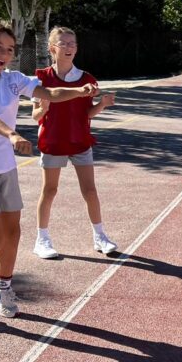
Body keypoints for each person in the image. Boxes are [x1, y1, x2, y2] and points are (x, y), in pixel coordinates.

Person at [0, 21, 98, 324]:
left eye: (9, 49)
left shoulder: (13, 79)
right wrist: (11, 134)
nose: (4, 54)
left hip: (5, 168)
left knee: (13, 233)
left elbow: (50, 93)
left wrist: (78, 91)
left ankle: (2, 286)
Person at [31, 27, 117, 259]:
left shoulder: (87, 79)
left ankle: (100, 236)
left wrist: (102, 104)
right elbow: (35, 116)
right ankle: (42, 239)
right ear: (52, 49)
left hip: (80, 141)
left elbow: (86, 114)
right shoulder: (42, 79)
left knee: (90, 190)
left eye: (72, 43)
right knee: (49, 190)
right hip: (53, 142)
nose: (68, 47)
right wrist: (43, 107)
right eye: (63, 43)